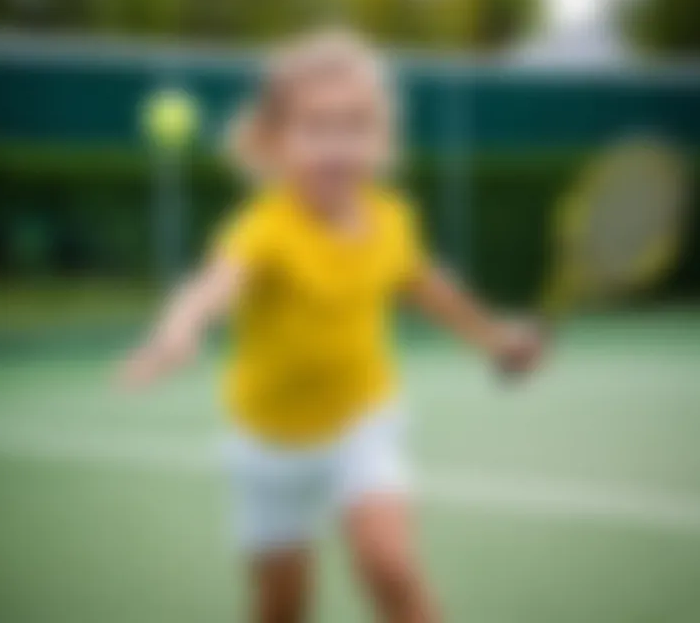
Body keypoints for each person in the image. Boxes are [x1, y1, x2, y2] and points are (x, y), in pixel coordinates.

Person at [119, 30, 543, 623]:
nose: (337, 146)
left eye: (355, 126)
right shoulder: (264, 227)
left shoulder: (393, 220)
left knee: (389, 565)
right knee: (281, 605)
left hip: (360, 423)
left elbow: (435, 293)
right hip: (266, 444)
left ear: (381, 138)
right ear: (273, 141)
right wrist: (178, 329)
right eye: (316, 127)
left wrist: (499, 339)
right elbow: (215, 283)